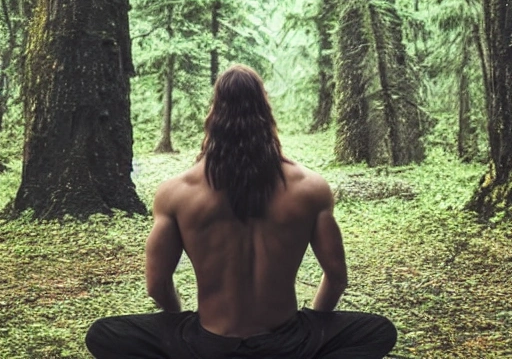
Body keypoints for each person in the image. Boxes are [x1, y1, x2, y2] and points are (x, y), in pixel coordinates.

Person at [86, 64, 397, 359]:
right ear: (265, 109)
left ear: (214, 112)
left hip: (206, 345)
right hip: (289, 345)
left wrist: (181, 328)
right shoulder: (310, 188)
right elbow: (337, 278)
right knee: (378, 330)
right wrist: (312, 330)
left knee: (104, 334)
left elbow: (157, 285)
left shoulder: (176, 192)